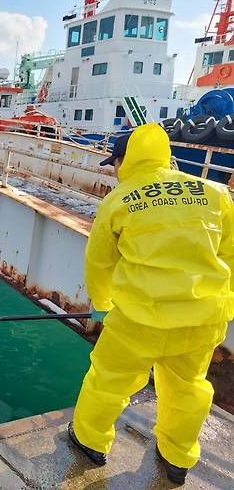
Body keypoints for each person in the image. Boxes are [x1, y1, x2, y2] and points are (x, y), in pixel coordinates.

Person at [68, 123, 234, 484]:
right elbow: (229, 256)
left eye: (114, 162)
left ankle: (90, 441)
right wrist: (224, 303)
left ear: (127, 159)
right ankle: (178, 457)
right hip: (201, 320)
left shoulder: (119, 200)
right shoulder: (216, 193)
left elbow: (99, 263)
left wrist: (101, 305)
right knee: (188, 388)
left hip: (137, 320)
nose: (113, 170)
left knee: (109, 381)